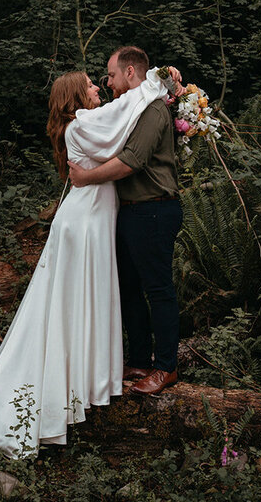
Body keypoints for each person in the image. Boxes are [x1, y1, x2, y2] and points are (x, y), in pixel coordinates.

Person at [0, 65, 173, 458]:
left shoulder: (84, 124)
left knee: (88, 298)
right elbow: (123, 119)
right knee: (74, 302)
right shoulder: (81, 125)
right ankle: (64, 384)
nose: (97, 87)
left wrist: (160, 88)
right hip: (83, 224)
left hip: (92, 219)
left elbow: (123, 119)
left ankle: (89, 376)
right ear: (74, 95)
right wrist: (154, 82)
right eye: (90, 84)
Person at [69, 46, 183, 396]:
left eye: (113, 75)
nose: (108, 81)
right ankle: (139, 359)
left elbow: (132, 160)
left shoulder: (150, 110)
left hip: (154, 208)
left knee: (158, 289)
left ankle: (167, 367)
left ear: (131, 72)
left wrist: (87, 179)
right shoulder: (127, 110)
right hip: (130, 210)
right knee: (129, 289)